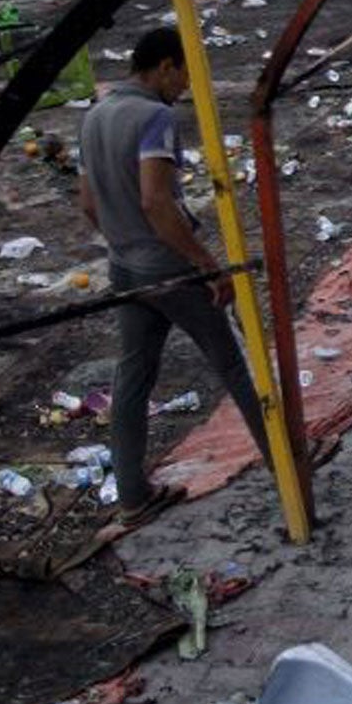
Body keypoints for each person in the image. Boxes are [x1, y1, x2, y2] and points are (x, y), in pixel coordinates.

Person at [79, 27, 269, 524]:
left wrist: (124, 241)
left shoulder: (94, 116)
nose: (186, 85)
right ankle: (285, 462)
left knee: (133, 376)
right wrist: (205, 263)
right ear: (165, 66)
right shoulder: (155, 117)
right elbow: (156, 201)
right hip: (168, 268)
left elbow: (88, 201)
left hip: (124, 266)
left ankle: (133, 494)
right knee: (237, 364)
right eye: (185, 73)